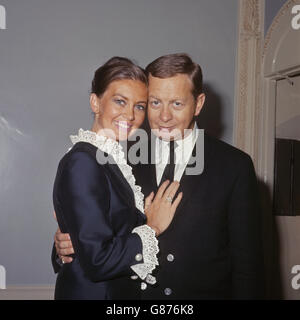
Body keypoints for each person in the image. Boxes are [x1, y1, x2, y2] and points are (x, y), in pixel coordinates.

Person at [53, 53, 264, 299]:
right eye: (154, 103)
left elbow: (249, 268)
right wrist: (65, 245)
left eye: (176, 103)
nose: (164, 116)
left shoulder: (234, 166)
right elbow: (100, 233)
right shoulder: (124, 160)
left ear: (198, 103)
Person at [51, 56, 182, 300]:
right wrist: (152, 227)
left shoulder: (113, 160)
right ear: (95, 102)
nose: (130, 115)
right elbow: (98, 261)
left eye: (140, 106)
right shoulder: (83, 161)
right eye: (120, 101)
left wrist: (69, 241)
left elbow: (101, 229)